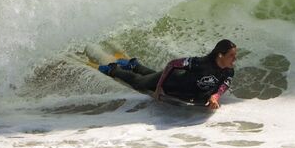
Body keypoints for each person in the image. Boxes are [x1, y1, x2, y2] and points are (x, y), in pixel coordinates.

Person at [99, 39, 237, 109]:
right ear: (220, 55)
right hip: (171, 81)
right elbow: (172, 64)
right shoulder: (200, 63)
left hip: (180, 88)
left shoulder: (229, 71)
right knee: (140, 83)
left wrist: (215, 97)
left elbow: (223, 86)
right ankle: (113, 69)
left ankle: (135, 65)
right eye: (231, 56)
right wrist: (159, 88)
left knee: (150, 76)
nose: (234, 59)